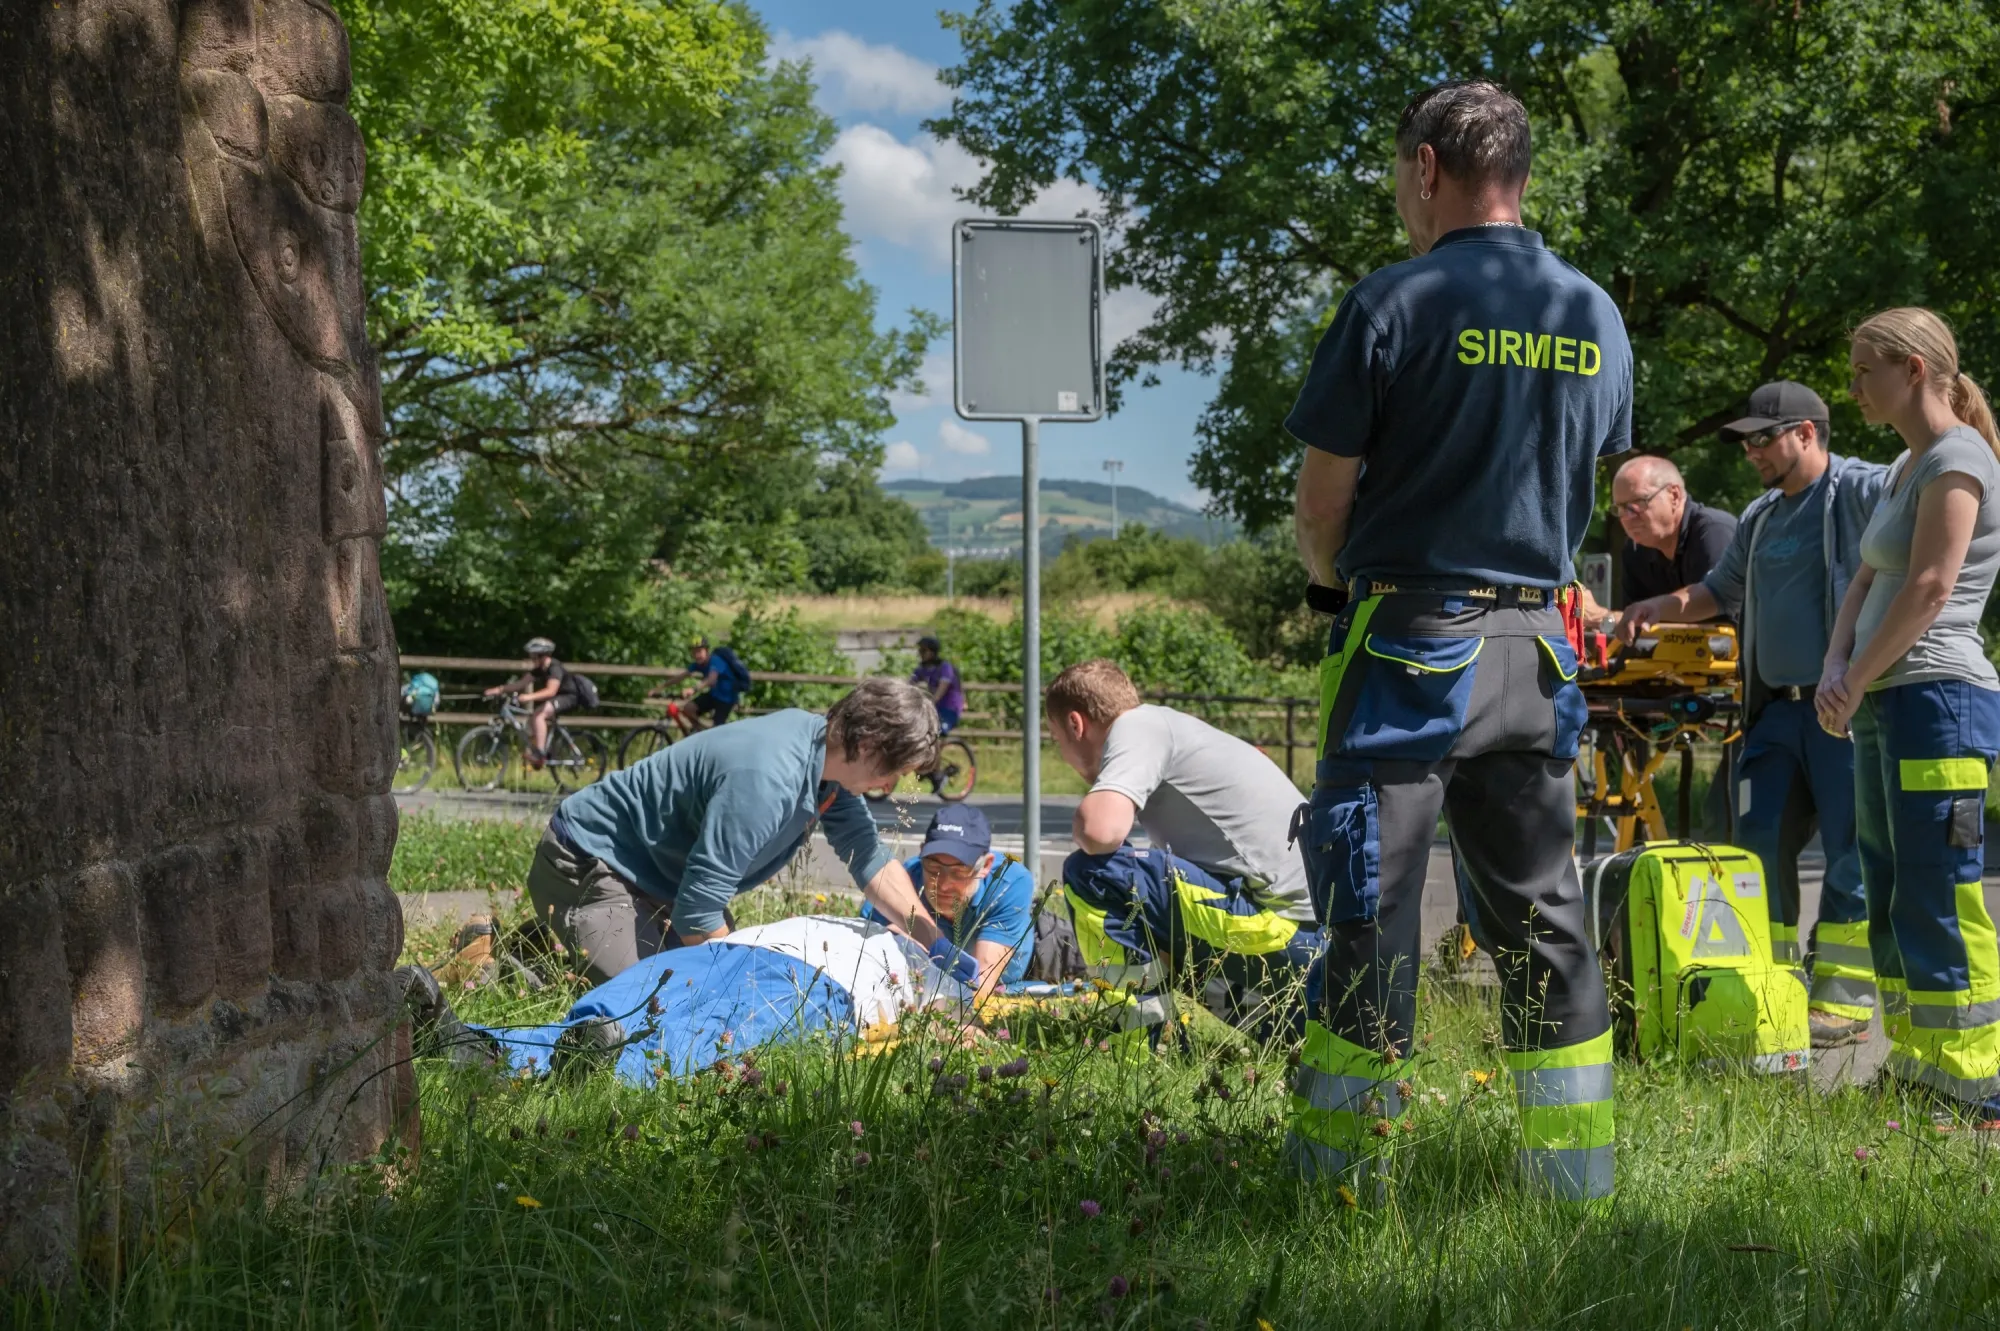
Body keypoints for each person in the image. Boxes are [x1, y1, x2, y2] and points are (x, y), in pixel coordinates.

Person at [1285, 80, 1626, 1200]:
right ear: (1519, 173)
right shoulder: (1593, 313)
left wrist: (1337, 588)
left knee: (1367, 905)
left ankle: (1341, 1184)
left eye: (1398, 176)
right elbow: (1581, 480)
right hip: (1538, 653)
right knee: (1544, 915)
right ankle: (1572, 1187)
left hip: (1405, 647)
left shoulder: (1391, 302)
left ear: (1426, 167)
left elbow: (1321, 511)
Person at [1619, 382, 1889, 1045]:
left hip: (1844, 708)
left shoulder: (1858, 490)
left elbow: (1927, 504)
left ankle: (1844, 1003)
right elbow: (1718, 589)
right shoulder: (1762, 514)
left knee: (1852, 853)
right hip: (1774, 713)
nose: (1751, 451)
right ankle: (1772, 981)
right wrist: (1657, 609)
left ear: (1807, 432)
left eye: (1763, 438)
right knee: (1754, 842)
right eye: (1746, 441)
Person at [1815, 308, 2000, 1122]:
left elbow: (1928, 589)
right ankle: (1921, 1064)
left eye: (1864, 370)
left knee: (1942, 887)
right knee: (1890, 882)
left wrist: (1853, 679)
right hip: (1888, 695)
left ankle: (1978, 1077)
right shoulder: (1903, 465)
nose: (1852, 386)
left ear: (1914, 370)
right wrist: (1835, 666)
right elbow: (1865, 579)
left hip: (1941, 700)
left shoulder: (1959, 458)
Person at [526, 679, 972, 987]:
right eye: (893, 772)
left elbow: (868, 855)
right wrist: (743, 996)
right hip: (588, 863)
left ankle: (551, 940)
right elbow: (699, 915)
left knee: (714, 979)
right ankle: (520, 956)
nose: (890, 787)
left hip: (664, 883)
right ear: (870, 746)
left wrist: (934, 942)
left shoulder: (826, 758)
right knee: (660, 1006)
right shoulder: (766, 780)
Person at [1045, 659, 1323, 1057]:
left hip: (1281, 929)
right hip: (1310, 945)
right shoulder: (1175, 729)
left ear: (1076, 724)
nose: (1063, 755)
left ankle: (1135, 1049)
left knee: (1093, 872)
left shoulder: (1137, 726)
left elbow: (1099, 831)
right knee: (1145, 896)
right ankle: (1285, 1033)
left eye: (1057, 740)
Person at [861, 803, 1035, 1000]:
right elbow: (865, 970)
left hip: (1038, 963)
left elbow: (980, 983)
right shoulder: (900, 886)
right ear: (921, 853)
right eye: (933, 867)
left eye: (959, 871)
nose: (942, 885)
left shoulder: (1009, 882)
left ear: (985, 865)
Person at [484, 637, 576, 770]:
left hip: (568, 697)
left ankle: (539, 754)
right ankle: (539, 751)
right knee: (532, 720)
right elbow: (520, 684)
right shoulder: (539, 669)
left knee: (539, 715)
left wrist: (528, 697)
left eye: (533, 656)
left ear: (541, 655)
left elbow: (551, 691)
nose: (531, 658)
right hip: (556, 698)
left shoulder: (554, 667)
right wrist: (498, 689)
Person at [677, 637, 749, 735]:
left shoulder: (716, 661)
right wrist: (659, 687)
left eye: (699, 651)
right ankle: (700, 734)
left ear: (706, 651)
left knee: (716, 732)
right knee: (688, 708)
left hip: (726, 699)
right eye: (694, 652)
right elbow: (682, 676)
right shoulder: (699, 664)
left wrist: (693, 689)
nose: (697, 655)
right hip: (714, 695)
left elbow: (711, 679)